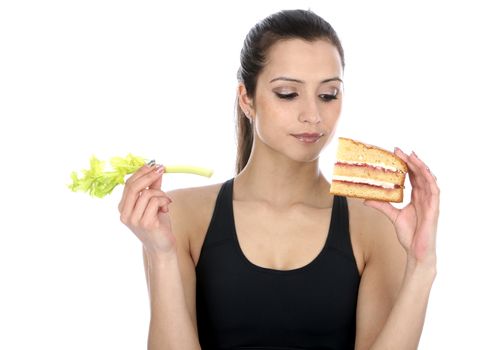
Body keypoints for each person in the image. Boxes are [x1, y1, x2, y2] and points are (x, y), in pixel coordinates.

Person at [118, 9, 440, 350]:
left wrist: (422, 266)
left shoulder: (375, 224)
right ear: (247, 98)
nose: (313, 115)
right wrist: (162, 255)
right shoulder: (178, 215)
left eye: (328, 94)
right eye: (288, 93)